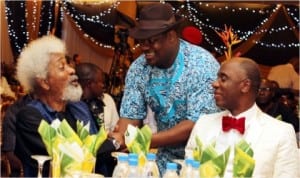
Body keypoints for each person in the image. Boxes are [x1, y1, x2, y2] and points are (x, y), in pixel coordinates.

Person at [111, 3, 220, 175]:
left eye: (152, 41)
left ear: (171, 36)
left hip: (201, 162)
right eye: (141, 41)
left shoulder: (202, 65)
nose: (144, 47)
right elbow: (130, 116)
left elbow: (196, 125)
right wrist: (120, 137)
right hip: (162, 161)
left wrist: (143, 141)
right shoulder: (139, 68)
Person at [185, 57, 299, 177]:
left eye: (223, 79)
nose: (214, 84)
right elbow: (188, 172)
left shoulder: (281, 133)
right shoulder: (203, 123)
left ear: (245, 86)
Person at [13, 35, 98, 177]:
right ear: (44, 82)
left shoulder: (79, 108)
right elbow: (73, 155)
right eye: (61, 67)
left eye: (69, 64)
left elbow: (98, 145)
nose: (72, 70)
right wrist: (114, 143)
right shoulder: (30, 117)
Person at [75, 62, 120, 176]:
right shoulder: (77, 107)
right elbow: (89, 146)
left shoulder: (97, 102)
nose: (103, 86)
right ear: (90, 84)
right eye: (100, 82)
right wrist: (115, 142)